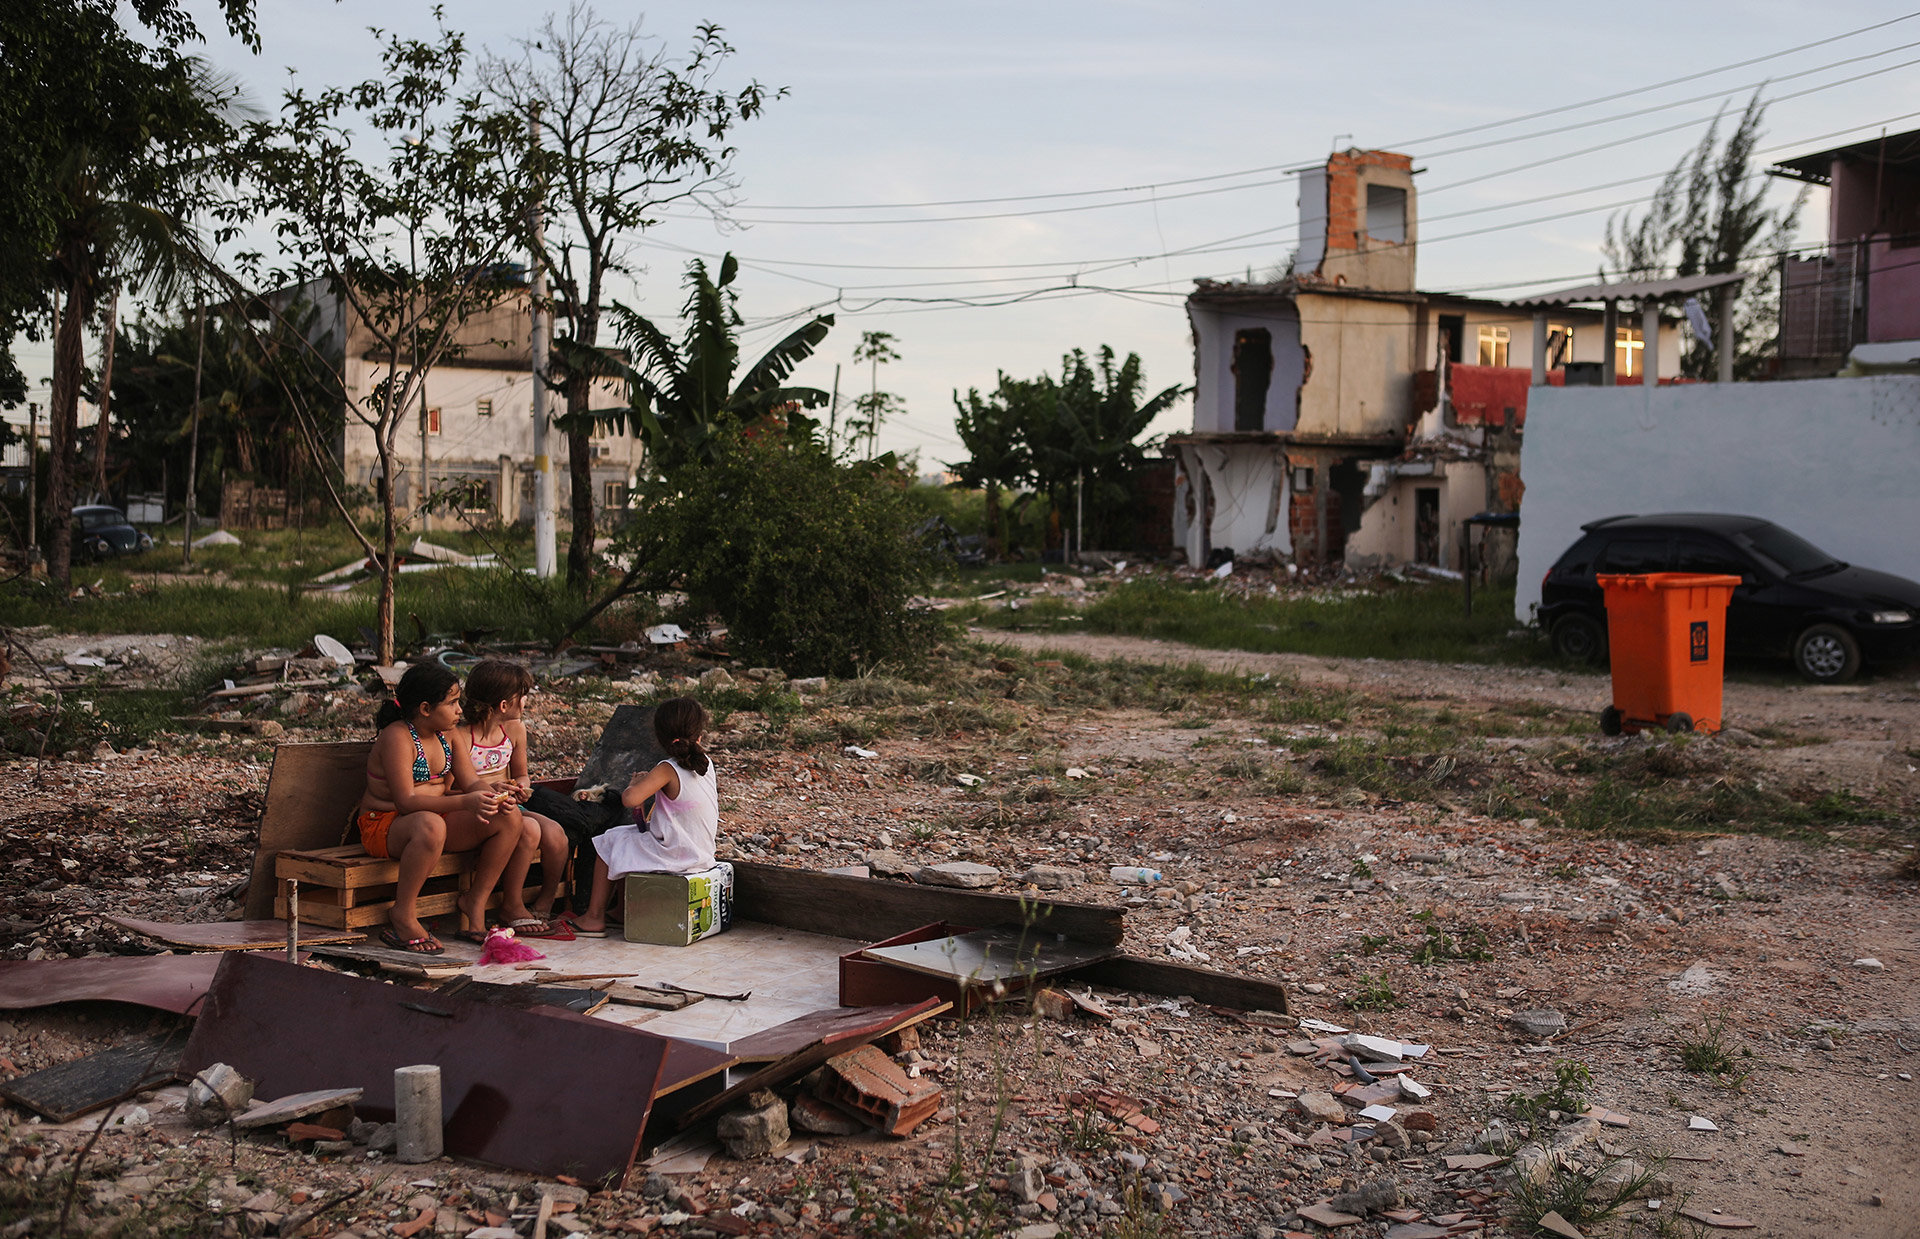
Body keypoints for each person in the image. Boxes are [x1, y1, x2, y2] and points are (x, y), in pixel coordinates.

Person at [353, 663, 530, 953]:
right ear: (425, 708)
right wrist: (465, 801)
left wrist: (494, 794)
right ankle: (404, 913)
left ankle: (475, 902)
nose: (460, 710)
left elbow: (471, 783)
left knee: (508, 817)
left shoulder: (448, 736)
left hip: (434, 820)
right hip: (385, 824)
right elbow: (406, 802)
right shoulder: (398, 736)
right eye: (452, 703)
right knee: (430, 824)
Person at [564, 697, 717, 937]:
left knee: (609, 841)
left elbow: (629, 800)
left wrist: (635, 783)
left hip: (676, 853)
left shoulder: (667, 768)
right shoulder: (704, 763)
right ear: (700, 735)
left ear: (659, 737)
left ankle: (593, 917)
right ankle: (619, 910)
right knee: (628, 838)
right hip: (700, 852)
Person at [457, 657, 567, 934]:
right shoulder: (460, 735)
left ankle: (545, 900)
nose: (526, 702)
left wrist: (520, 787)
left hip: (508, 804)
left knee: (556, 835)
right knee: (529, 829)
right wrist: (492, 791)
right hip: (477, 808)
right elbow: (459, 786)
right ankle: (512, 903)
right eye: (523, 696)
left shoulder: (515, 729)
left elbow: (521, 773)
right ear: (504, 705)